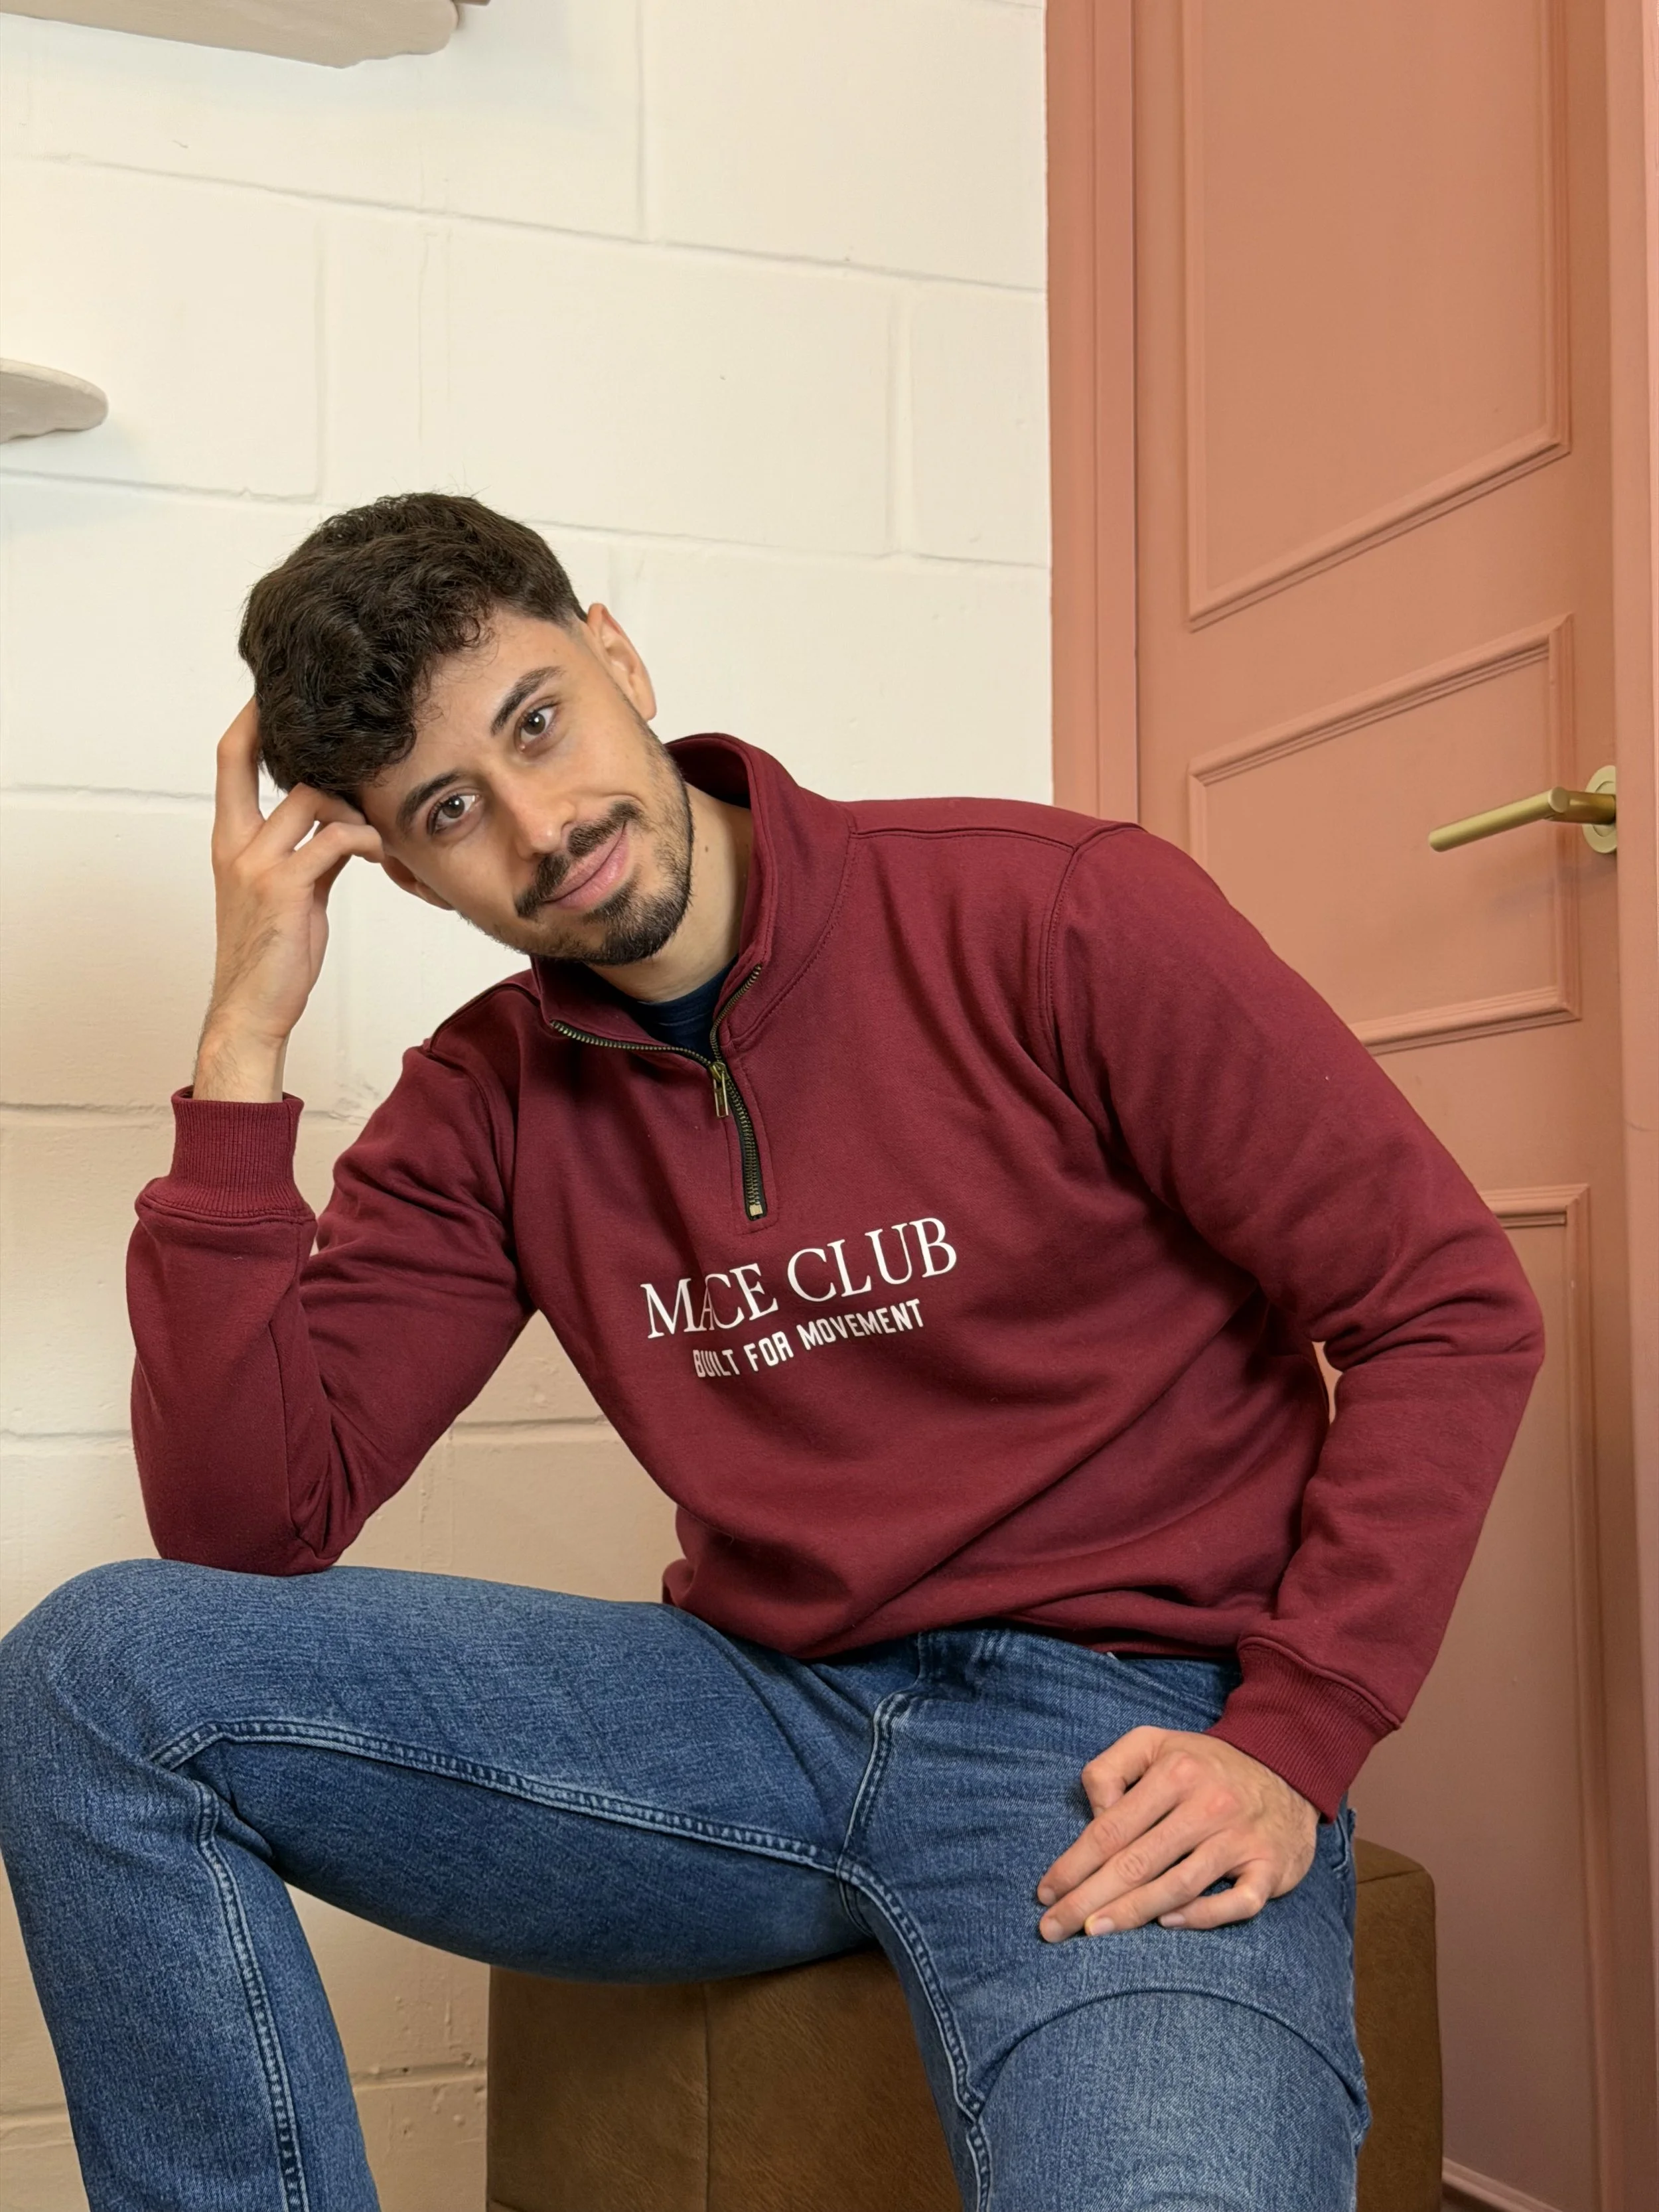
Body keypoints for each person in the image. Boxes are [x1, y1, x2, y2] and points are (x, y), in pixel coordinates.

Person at [0, 492, 1543, 2211]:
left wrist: (1295, 1726)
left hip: (1109, 1728)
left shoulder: (1057, 916)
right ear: (394, 864)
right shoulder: (485, 1104)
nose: (541, 823)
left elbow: (1441, 1301)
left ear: (611, 650)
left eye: (536, 721)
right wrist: (243, 1036)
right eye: (450, 809)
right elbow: (244, 1529)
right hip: (750, 1709)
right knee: (102, 1674)